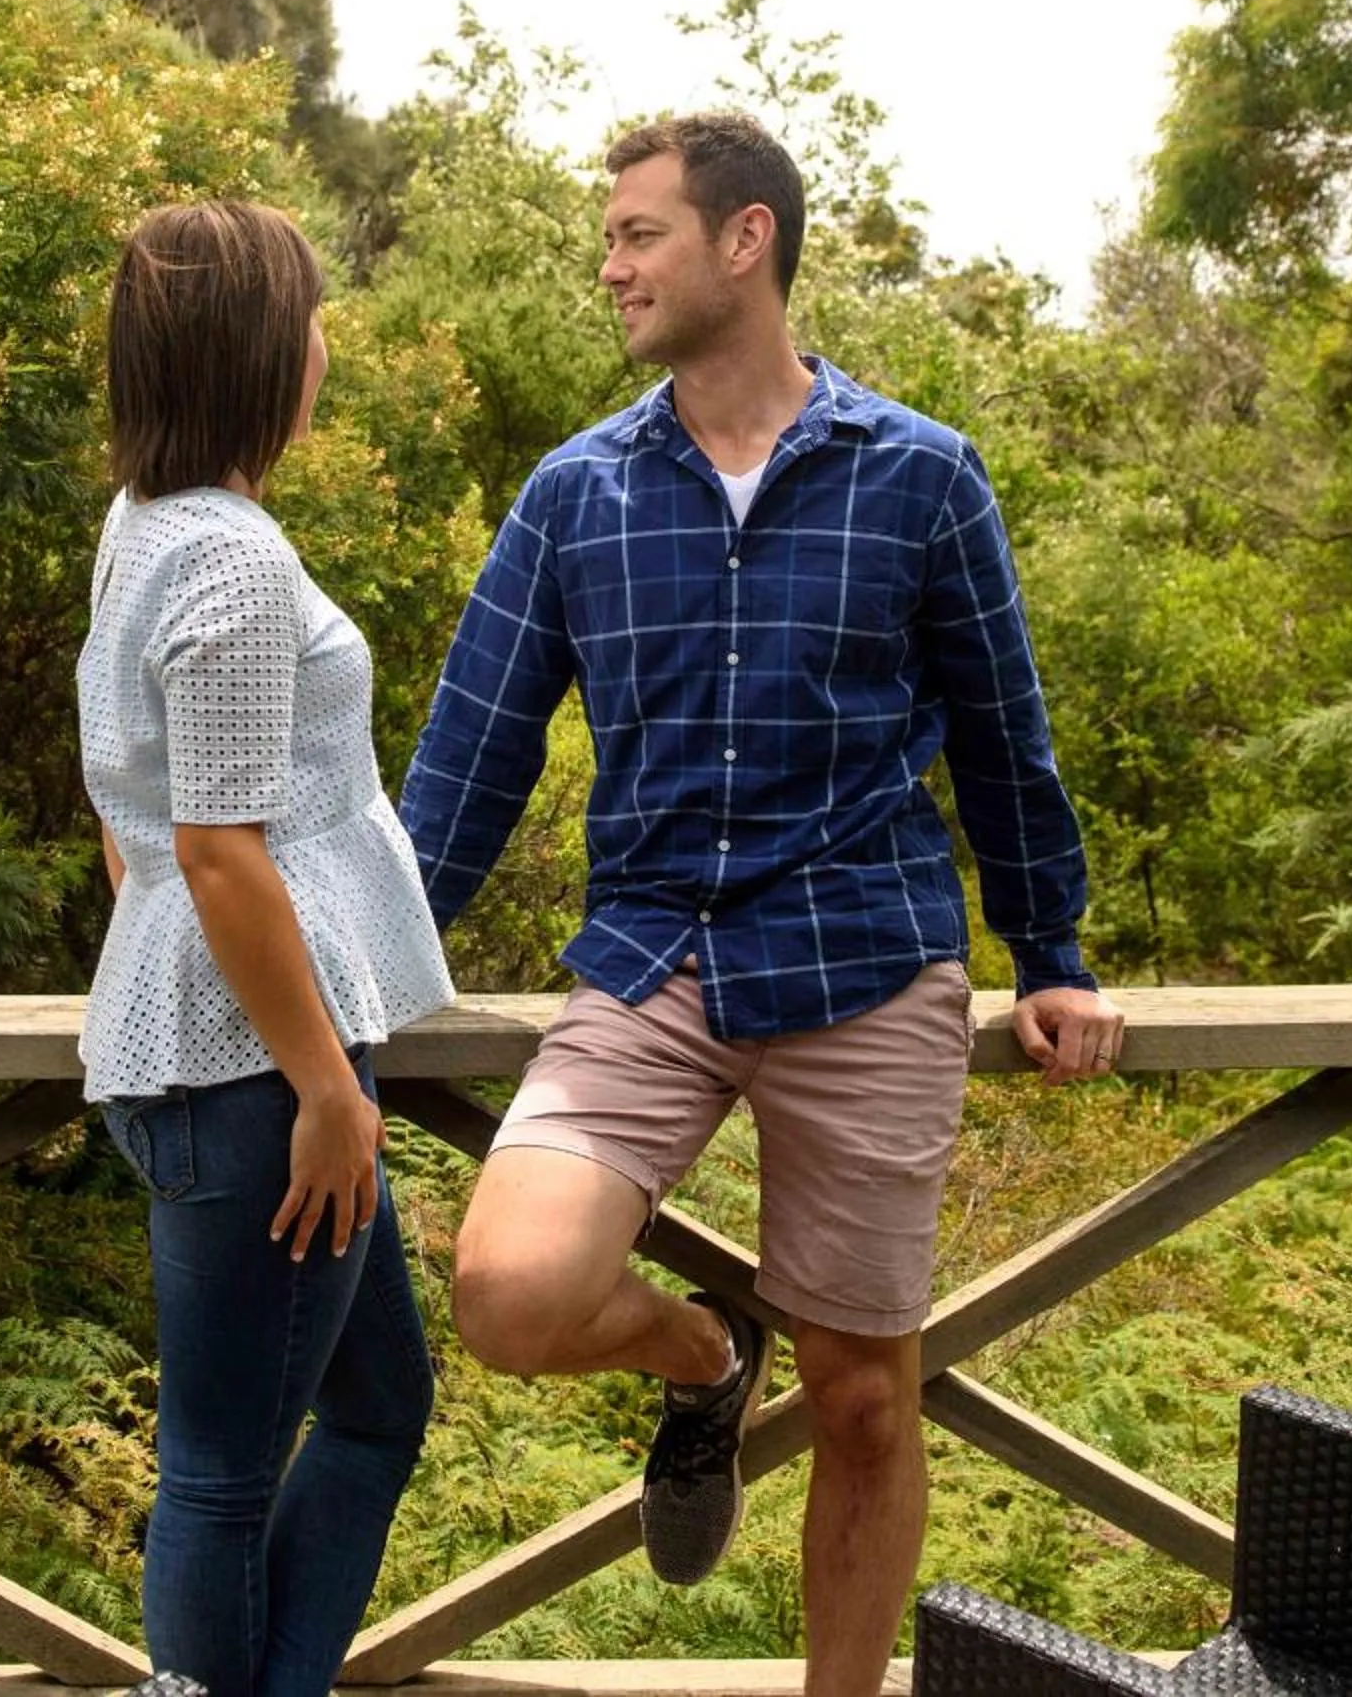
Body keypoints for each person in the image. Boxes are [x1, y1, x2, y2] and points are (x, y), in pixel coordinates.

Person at [396, 112, 1124, 1697]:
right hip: (653, 960)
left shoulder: (922, 476)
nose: (610, 267)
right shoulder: (573, 494)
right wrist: (356, 965)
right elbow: (469, 763)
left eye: (638, 234)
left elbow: (1007, 740)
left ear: (748, 241)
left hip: (867, 958)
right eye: (611, 238)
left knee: (868, 1399)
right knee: (511, 1293)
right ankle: (707, 1354)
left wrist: (1050, 954)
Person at [79, 200, 456, 1697]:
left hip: (206, 1048)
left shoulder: (140, 529)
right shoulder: (228, 562)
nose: (320, 347)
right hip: (254, 1076)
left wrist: (154, 948)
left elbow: (131, 798)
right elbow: (218, 848)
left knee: (377, 1406)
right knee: (224, 1473)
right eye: (306, 321)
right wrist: (323, 1086)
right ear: (255, 356)